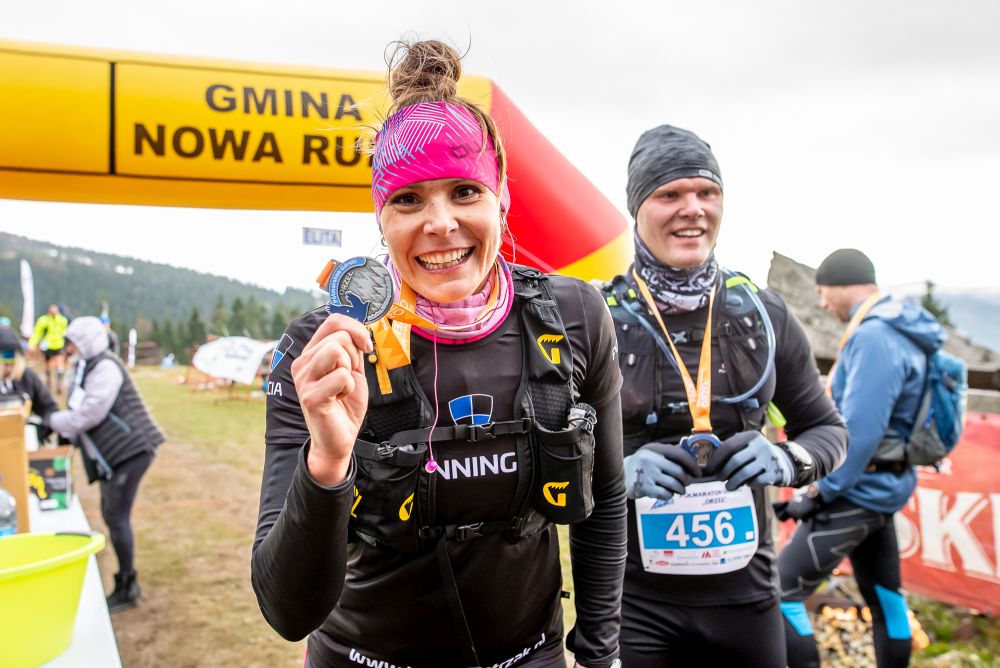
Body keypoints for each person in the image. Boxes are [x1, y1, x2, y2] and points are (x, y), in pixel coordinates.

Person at [252, 40, 627, 668]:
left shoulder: (573, 317)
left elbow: (606, 499)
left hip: (530, 655)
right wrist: (329, 462)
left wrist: (598, 653)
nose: (441, 223)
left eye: (464, 192)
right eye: (408, 199)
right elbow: (287, 611)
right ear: (380, 215)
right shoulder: (325, 350)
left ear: (502, 197)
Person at [602, 125, 849, 667]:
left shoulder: (763, 313)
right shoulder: (597, 319)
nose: (692, 209)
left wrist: (787, 459)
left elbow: (828, 430)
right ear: (637, 209)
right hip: (633, 599)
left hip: (746, 597)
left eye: (706, 192)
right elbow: (549, 456)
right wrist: (614, 474)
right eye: (670, 194)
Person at [778, 249, 944, 667]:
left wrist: (818, 492)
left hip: (856, 491)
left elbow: (859, 432)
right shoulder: (901, 328)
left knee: (779, 594)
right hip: (882, 487)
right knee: (886, 598)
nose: (822, 304)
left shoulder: (873, 337)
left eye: (822, 292)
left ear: (840, 284)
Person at [45, 316, 165, 612]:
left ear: (84, 342)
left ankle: (128, 584)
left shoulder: (105, 367)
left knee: (115, 516)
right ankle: (125, 581)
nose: (68, 348)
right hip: (115, 456)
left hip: (131, 451)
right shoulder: (87, 367)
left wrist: (52, 421)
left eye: (72, 343)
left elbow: (89, 414)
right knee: (111, 515)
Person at [1, 325, 59, 441]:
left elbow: (49, 408)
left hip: (22, 441)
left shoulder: (26, 377)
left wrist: (39, 430)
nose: (8, 369)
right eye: (4, 364)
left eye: (12, 363)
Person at [28, 304, 70, 394]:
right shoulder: (44, 320)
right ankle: (49, 381)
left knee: (59, 363)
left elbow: (66, 333)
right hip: (47, 346)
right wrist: (32, 344)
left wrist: (67, 345)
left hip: (58, 345)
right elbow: (37, 333)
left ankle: (59, 383)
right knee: (47, 365)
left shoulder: (63, 320)